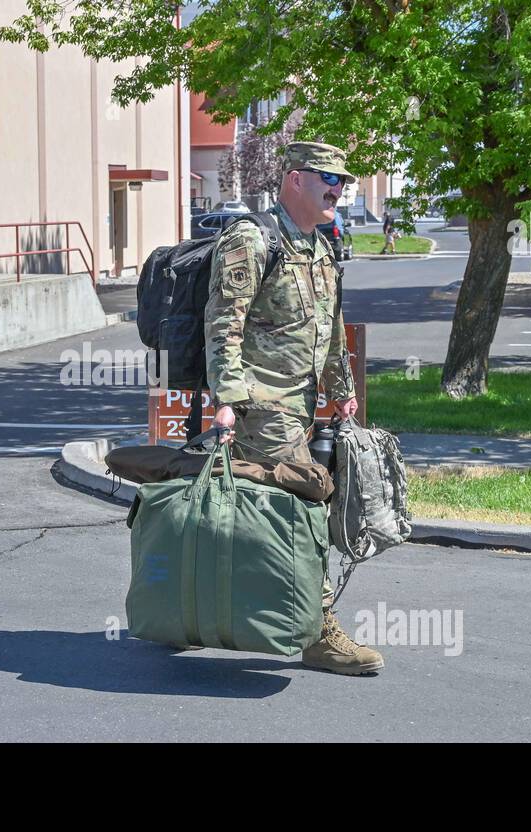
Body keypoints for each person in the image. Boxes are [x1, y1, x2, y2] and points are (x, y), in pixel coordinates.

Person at [204, 141, 383, 676]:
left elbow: (329, 331)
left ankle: (215, 606)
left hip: (300, 406)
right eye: (329, 177)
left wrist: (341, 390)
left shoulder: (319, 247)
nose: (339, 189)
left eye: (344, 182)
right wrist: (229, 400)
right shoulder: (252, 238)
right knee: (304, 513)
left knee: (266, 515)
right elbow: (224, 322)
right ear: (294, 180)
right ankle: (318, 632)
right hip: (262, 406)